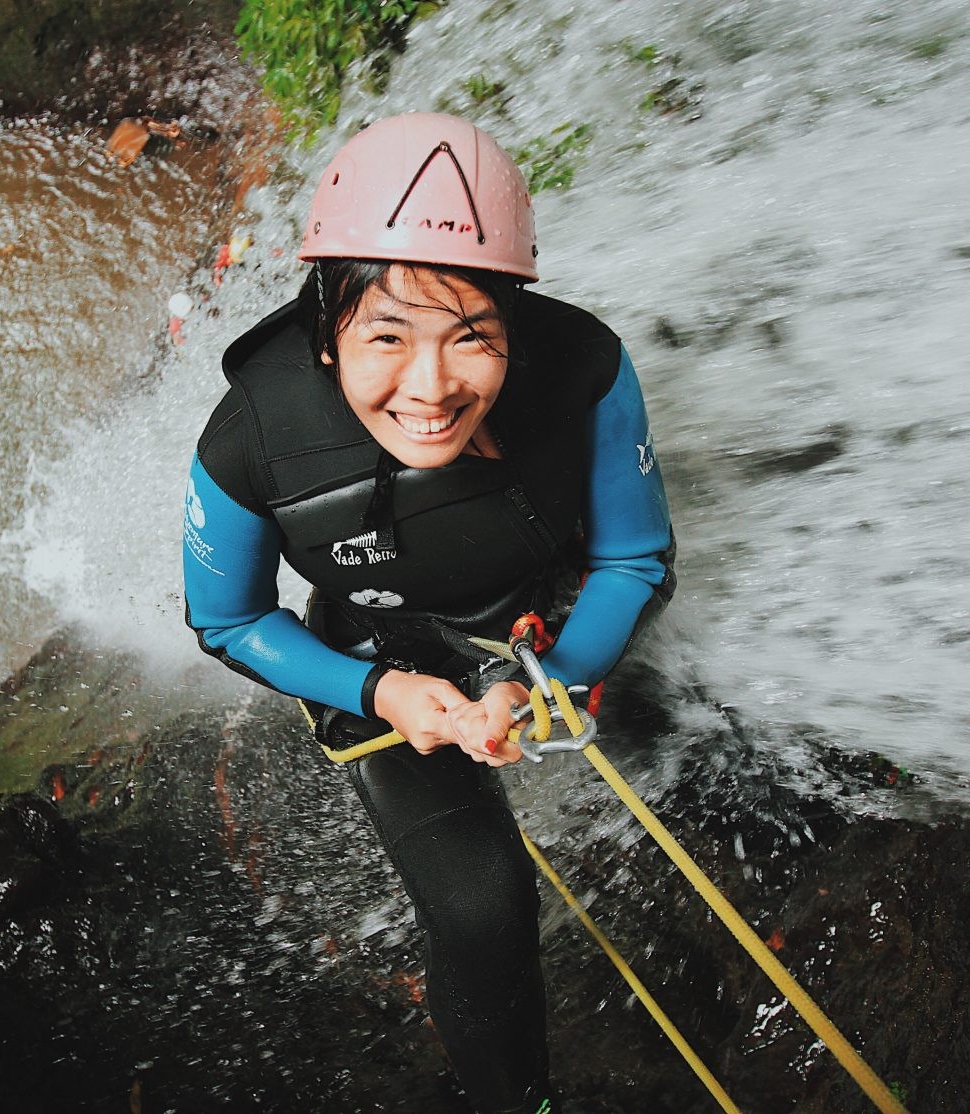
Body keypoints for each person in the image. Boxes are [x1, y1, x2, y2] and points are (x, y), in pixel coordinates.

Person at [182, 112, 675, 1114]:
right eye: (386, 336)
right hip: (379, 644)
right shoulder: (252, 442)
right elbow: (229, 621)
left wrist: (555, 678)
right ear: (325, 328)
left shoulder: (582, 370)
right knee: (482, 907)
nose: (431, 386)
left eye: (471, 337)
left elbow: (633, 554)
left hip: (544, 605)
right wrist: (384, 690)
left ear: (513, 328)